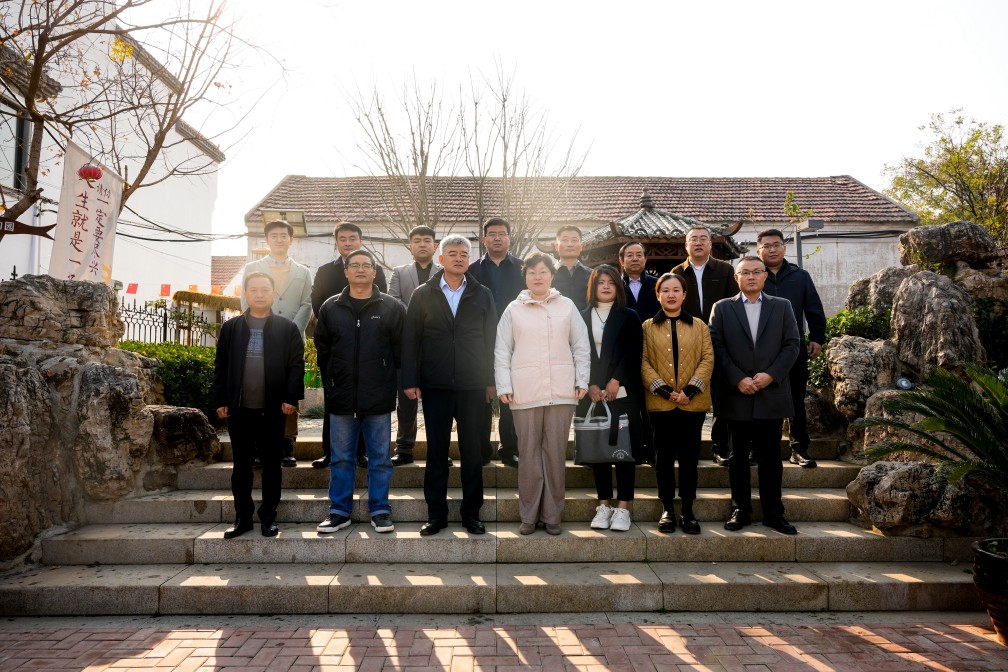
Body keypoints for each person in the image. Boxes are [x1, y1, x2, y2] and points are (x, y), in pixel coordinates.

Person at [402, 234, 497, 536]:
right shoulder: (423, 294)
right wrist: (410, 379)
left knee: (473, 452)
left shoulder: (482, 293)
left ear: (469, 260)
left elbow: (492, 340)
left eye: (464, 254)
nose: (459, 258)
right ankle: (436, 515)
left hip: (473, 385)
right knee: (436, 452)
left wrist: (491, 381)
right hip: (436, 385)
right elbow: (411, 339)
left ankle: (472, 514)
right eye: (452, 253)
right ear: (441, 259)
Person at [495, 252, 590, 535]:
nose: (538, 277)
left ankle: (552, 515)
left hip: (562, 390)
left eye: (543, 272)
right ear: (525, 276)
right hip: (524, 391)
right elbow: (502, 350)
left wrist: (582, 380)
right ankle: (528, 515)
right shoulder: (514, 309)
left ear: (552, 275)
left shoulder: (567, 306)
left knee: (555, 454)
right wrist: (504, 385)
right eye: (532, 272)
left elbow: (581, 346)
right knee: (528, 455)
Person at [709, 256, 801, 535]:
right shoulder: (722, 308)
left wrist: (771, 374)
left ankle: (774, 512)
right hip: (736, 393)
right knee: (737, 457)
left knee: (771, 457)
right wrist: (737, 378)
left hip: (770, 392)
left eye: (756, 272)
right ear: (736, 278)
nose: (750, 276)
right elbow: (716, 346)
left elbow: (792, 344)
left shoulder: (782, 306)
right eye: (745, 272)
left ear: (765, 276)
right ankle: (740, 509)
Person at [314, 249, 404, 534]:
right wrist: (332, 381)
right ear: (346, 271)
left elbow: (401, 351)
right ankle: (339, 511)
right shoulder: (331, 307)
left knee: (380, 459)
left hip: (378, 396)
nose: (361, 269)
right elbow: (322, 349)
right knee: (341, 458)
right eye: (355, 265)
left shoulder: (391, 307)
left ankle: (380, 510)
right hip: (341, 397)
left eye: (367, 265)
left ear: (375, 272)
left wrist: (393, 383)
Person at [213, 272, 304, 539]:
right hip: (239, 409)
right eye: (254, 289)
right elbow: (221, 367)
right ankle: (242, 517)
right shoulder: (231, 328)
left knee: (272, 466)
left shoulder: (287, 328)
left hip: (273, 409)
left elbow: (295, 366)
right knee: (241, 466)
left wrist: (291, 398)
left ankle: (268, 516)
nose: (260, 294)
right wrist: (221, 399)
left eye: (265, 289)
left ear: (273, 294)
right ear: (245, 294)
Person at [310, 221, 388, 471]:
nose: (348, 243)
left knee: (366, 403)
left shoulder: (375, 270)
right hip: (337, 347)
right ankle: (329, 452)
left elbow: (382, 303)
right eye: (342, 239)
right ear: (336, 242)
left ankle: (361, 453)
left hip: (369, 348)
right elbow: (317, 303)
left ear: (360, 241)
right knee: (333, 403)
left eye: (352, 238)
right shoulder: (325, 271)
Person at [641, 273, 714, 535]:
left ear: (684, 295)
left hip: (691, 404)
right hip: (660, 404)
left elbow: (708, 358)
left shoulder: (700, 326)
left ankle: (688, 510)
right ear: (657, 295)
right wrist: (664, 390)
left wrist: (690, 390)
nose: (671, 295)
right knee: (663, 459)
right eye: (665, 290)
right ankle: (667, 510)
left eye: (676, 290)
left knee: (689, 458)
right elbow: (643, 361)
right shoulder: (647, 327)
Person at [578, 265, 648, 532]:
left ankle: (623, 508)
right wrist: (590, 384)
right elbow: (578, 352)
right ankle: (603, 505)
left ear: (618, 287)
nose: (606, 286)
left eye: (611, 282)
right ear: (592, 287)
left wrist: (617, 379)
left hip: (622, 393)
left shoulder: (628, 315)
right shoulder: (582, 315)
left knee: (623, 452)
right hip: (593, 394)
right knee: (600, 452)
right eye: (600, 282)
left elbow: (634, 351)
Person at [240, 219, 313, 468]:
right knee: (257, 388)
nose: (279, 239)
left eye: (284, 235)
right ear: (267, 239)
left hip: (292, 338)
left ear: (291, 239)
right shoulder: (252, 268)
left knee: (289, 389)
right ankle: (259, 445)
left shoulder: (303, 271)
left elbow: (307, 304)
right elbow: (246, 300)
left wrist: (292, 331)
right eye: (274, 235)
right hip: (258, 336)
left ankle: (287, 443)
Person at [756, 228, 828, 469]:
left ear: (784, 248)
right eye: (767, 246)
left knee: (796, 399)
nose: (772, 250)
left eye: (776, 245)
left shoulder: (800, 276)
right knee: (763, 399)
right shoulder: (754, 275)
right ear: (759, 250)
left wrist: (817, 337)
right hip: (762, 351)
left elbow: (814, 308)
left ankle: (799, 448)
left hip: (794, 348)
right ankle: (761, 448)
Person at [672, 225, 738, 468]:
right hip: (687, 343)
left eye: (703, 239)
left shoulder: (725, 270)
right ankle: (686, 447)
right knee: (687, 394)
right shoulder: (677, 272)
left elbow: (733, 305)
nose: (698, 243)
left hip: (720, 341)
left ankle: (721, 448)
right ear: (686, 245)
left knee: (721, 397)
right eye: (693, 239)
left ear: (710, 244)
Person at [468, 217, 524, 468]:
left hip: (516, 338)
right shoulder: (471, 270)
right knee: (481, 394)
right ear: (484, 239)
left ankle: (509, 448)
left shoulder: (522, 268)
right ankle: (481, 448)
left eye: (502, 233)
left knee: (510, 395)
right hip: (480, 340)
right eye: (492, 234)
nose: (497, 238)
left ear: (509, 238)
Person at [388, 225, 442, 466]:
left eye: (427, 240)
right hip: (407, 346)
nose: (422, 244)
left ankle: (439, 449)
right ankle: (404, 448)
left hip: (437, 347)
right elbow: (393, 300)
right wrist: (416, 317)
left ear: (435, 246)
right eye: (417, 240)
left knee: (438, 403)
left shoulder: (445, 271)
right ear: (410, 246)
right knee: (406, 401)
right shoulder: (399, 272)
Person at [552, 225, 592, 311]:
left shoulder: (592, 275)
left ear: (581, 246)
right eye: (565, 240)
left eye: (574, 240)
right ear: (556, 246)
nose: (570, 244)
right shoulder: (548, 274)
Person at [618, 241, 659, 324]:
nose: (635, 259)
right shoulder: (616, 285)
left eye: (639, 255)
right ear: (621, 261)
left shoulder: (657, 284)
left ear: (645, 259)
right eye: (630, 255)